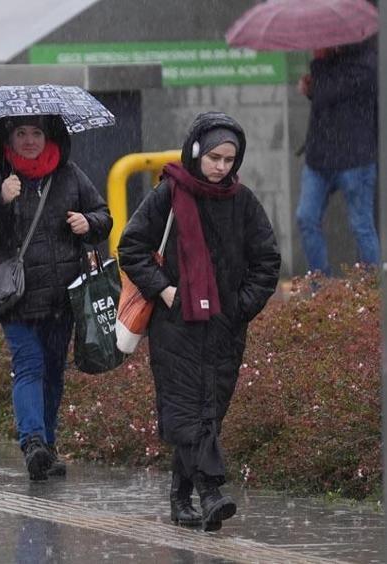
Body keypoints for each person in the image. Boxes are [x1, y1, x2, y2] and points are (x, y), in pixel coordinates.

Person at [118, 112, 280, 531]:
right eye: (213, 157)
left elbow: (266, 260)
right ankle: (210, 494)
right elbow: (131, 246)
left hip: (225, 328)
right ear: (195, 153)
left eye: (229, 159)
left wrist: (241, 305)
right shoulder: (169, 194)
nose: (221, 167)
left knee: (209, 415)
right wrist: (166, 290)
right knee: (188, 413)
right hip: (177, 325)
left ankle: (180, 498)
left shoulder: (242, 202)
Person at [0, 115, 112, 481]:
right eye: (21, 133)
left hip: (63, 296)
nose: (29, 140)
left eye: (37, 133)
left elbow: (104, 215)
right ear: (8, 138)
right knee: (29, 365)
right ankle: (32, 443)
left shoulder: (70, 174)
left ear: (49, 136)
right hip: (18, 297)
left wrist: (89, 223)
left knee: (54, 372)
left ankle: (47, 447)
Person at [295, 38, 378, 275]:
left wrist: (316, 81)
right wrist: (314, 84)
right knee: (306, 217)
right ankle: (321, 286)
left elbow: (333, 94)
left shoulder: (366, 62)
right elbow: (329, 100)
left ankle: (371, 288)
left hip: (355, 157)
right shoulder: (326, 64)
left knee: (361, 225)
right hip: (319, 157)